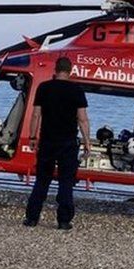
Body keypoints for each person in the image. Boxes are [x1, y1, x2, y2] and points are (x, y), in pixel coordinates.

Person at [24, 56, 91, 230]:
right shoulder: (77, 90)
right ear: (71, 70)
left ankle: (32, 218)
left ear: (56, 69)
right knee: (66, 181)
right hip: (68, 142)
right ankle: (63, 220)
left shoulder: (44, 88)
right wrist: (87, 142)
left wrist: (32, 137)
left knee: (42, 180)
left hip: (47, 140)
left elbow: (36, 115)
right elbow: (82, 119)